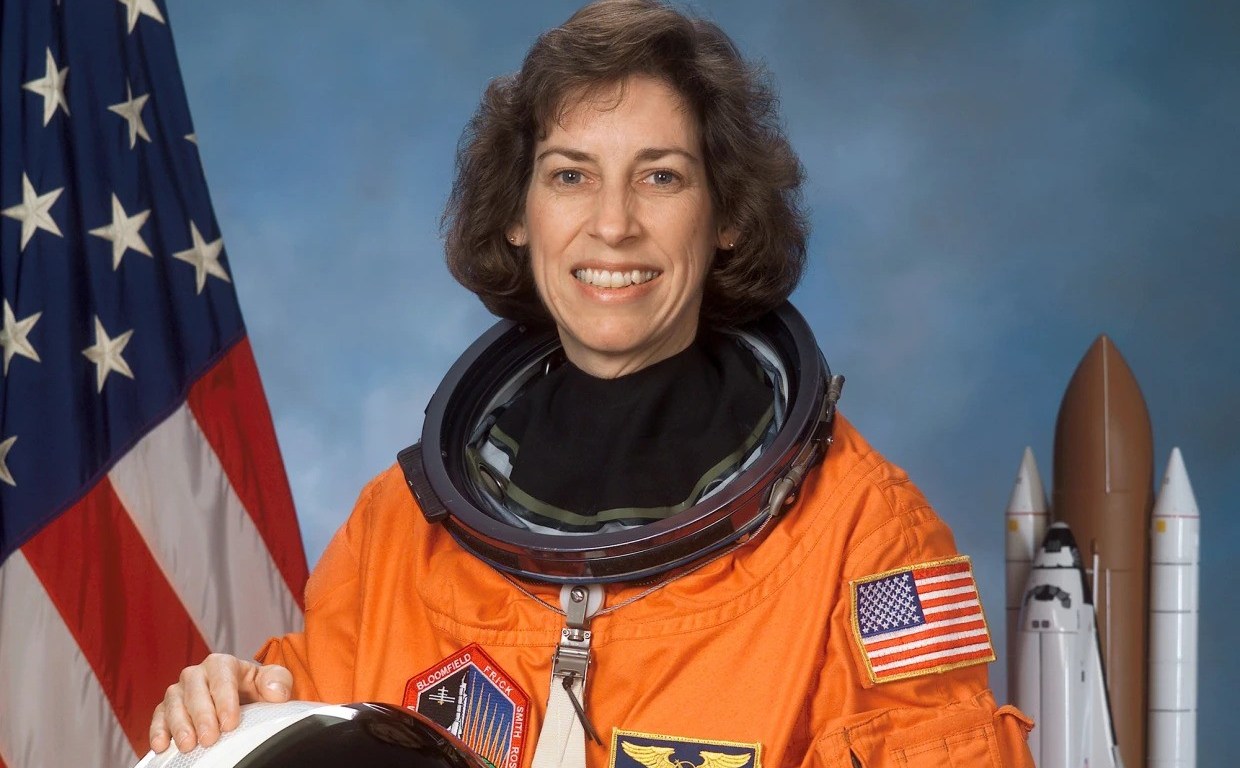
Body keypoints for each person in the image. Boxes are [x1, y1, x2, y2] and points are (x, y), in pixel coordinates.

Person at [149, 2, 1035, 767]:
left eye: (660, 176)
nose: (613, 225)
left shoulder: (864, 535)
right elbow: (314, 723)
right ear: (518, 217)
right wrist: (236, 716)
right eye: (570, 176)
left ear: (724, 215)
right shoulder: (397, 533)